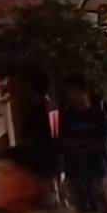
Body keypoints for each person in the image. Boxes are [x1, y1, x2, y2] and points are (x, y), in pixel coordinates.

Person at [59, 73, 107, 213]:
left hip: (96, 167)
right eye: (68, 92)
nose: (70, 96)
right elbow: (63, 141)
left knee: (106, 206)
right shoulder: (66, 116)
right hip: (74, 168)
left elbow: (102, 141)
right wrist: (82, 144)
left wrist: (79, 145)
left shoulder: (97, 115)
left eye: (72, 92)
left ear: (83, 92)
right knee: (76, 209)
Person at [23, 71, 64, 205]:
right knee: (57, 177)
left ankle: (54, 201)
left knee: (48, 179)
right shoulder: (54, 105)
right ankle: (61, 200)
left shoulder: (37, 109)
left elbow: (27, 130)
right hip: (56, 147)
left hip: (44, 148)